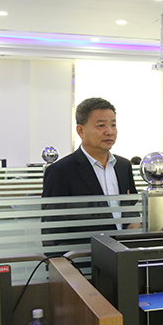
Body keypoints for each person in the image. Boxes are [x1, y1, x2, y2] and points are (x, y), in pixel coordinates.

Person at [42, 97, 139, 235]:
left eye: (113, 125)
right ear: (80, 130)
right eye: (101, 125)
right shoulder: (61, 171)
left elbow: (131, 207)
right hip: (84, 247)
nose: (110, 132)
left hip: (123, 245)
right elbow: (52, 227)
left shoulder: (123, 166)